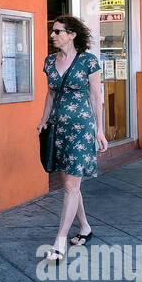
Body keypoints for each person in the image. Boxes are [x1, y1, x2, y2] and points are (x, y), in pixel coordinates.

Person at [36, 15, 108, 262]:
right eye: (52, 31)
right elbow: (50, 94)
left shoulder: (88, 61)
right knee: (69, 185)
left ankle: (59, 242)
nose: (52, 35)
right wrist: (44, 120)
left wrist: (100, 130)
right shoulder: (49, 62)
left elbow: (96, 98)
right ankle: (85, 228)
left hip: (81, 129)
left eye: (57, 32)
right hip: (58, 129)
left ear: (72, 34)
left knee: (70, 186)